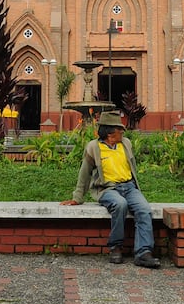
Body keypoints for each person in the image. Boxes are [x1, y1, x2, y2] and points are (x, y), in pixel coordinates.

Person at [60, 111, 161, 268]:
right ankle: (116, 247)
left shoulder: (126, 143)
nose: (122, 131)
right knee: (120, 205)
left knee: (144, 209)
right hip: (107, 189)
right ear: (109, 132)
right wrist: (77, 197)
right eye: (118, 128)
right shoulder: (94, 147)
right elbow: (84, 173)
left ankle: (143, 253)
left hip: (129, 187)